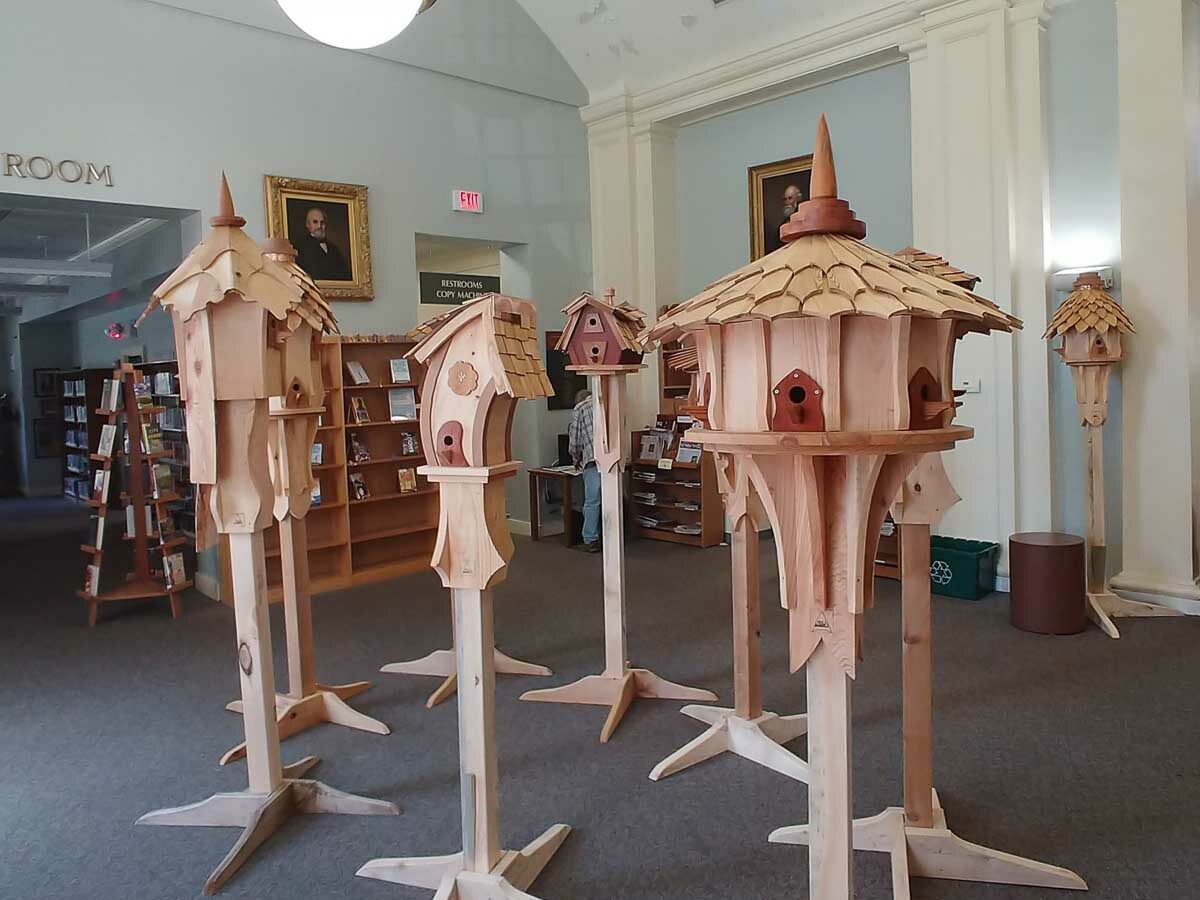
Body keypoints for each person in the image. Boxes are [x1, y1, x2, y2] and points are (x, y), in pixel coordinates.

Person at [568, 387, 601, 552]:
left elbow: (575, 440)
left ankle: (590, 540)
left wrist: (575, 459)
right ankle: (614, 536)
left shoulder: (580, 408)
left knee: (592, 501)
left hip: (592, 459)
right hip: (613, 459)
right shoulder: (604, 402)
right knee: (611, 499)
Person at [293, 206, 352, 280]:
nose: (319, 226)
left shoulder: (334, 249)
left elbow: (345, 274)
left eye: (322, 222)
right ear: (308, 225)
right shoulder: (300, 247)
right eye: (315, 222)